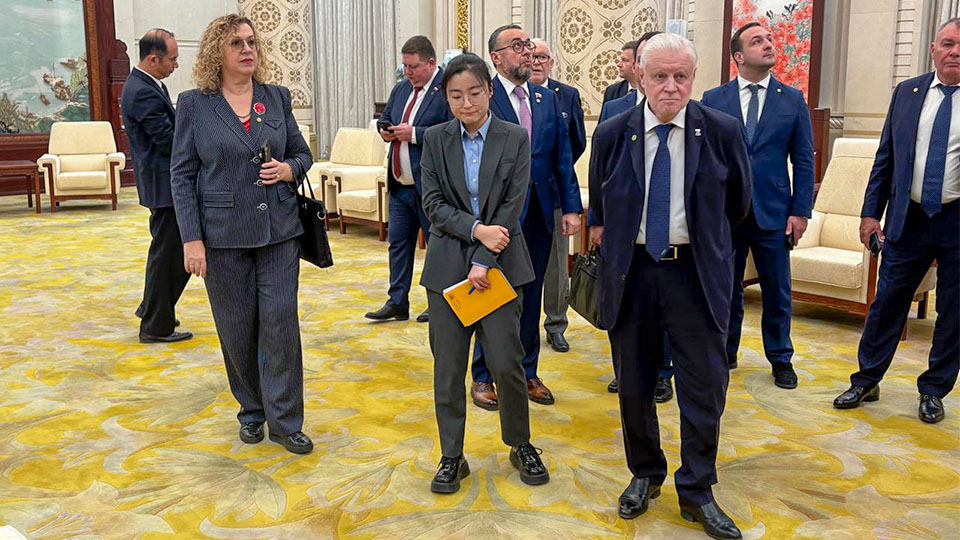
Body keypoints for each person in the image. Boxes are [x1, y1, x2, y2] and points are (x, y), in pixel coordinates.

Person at [590, 33, 750, 539]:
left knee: (703, 388)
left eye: (681, 76)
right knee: (634, 384)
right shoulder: (612, 133)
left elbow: (738, 206)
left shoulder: (721, 130)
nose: (671, 87)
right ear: (640, 75)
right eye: (659, 76)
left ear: (694, 78)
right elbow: (602, 204)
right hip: (633, 273)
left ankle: (698, 489)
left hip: (694, 274)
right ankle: (645, 472)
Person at [170, 14, 314, 454]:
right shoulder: (194, 105)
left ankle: (285, 421)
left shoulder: (276, 97)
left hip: (278, 233)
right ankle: (251, 411)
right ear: (217, 52)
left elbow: (302, 154)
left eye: (251, 42)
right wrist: (191, 239)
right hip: (222, 236)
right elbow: (181, 175)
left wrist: (288, 168)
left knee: (281, 325)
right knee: (236, 329)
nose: (247, 49)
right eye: (236, 43)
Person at [420, 52, 549, 494]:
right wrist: (476, 231)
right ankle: (451, 456)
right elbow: (432, 203)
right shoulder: (435, 139)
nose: (466, 103)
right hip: (446, 269)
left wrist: (484, 258)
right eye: (456, 96)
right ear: (447, 98)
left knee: (507, 363)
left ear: (490, 91)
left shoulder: (514, 137)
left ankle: (520, 443)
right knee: (448, 367)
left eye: (474, 93)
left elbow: (513, 205)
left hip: (500, 265)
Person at [833, 18, 960, 424]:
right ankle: (866, 379)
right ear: (933, 50)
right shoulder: (908, 92)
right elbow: (885, 157)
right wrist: (871, 213)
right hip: (910, 217)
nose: (956, 51)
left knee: (954, 311)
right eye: (948, 43)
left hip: (957, 219)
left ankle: (934, 390)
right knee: (887, 302)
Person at [469, 24, 582, 411]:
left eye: (528, 45)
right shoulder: (483, 95)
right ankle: (483, 375)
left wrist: (571, 206)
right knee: (491, 294)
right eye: (517, 46)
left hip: (538, 212)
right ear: (496, 57)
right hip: (496, 215)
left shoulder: (546, 97)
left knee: (531, 295)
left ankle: (527, 371)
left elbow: (562, 156)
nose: (527, 52)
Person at [701, 22, 815, 389]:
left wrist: (800, 211)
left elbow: (804, 159)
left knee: (777, 291)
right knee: (725, 289)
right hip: (726, 213)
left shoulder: (791, 99)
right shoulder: (713, 99)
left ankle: (781, 358)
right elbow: (703, 159)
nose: (768, 44)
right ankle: (725, 351)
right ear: (738, 56)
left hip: (774, 212)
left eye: (769, 39)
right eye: (757, 41)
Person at [594, 31, 674, 402]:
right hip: (623, 232)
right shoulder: (615, 109)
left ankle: (662, 374)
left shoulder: (686, 113)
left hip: (666, 233)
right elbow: (599, 171)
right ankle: (625, 369)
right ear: (639, 67)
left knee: (665, 308)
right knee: (624, 305)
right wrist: (597, 221)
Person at [365, 35, 451, 324]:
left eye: (413, 66)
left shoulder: (446, 89)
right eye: (404, 65)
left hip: (431, 189)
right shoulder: (401, 88)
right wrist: (385, 129)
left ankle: (437, 302)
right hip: (400, 186)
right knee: (398, 245)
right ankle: (397, 302)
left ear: (431, 63)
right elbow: (386, 116)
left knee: (436, 249)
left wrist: (413, 134)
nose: (407, 72)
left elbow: (451, 131)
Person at [123, 28, 192, 344]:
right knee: (169, 257)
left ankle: (154, 310)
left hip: (163, 184)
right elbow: (167, 141)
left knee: (166, 254)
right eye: (172, 60)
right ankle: (155, 325)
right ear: (153, 59)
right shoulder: (143, 91)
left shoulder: (148, 84)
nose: (176, 65)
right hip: (165, 186)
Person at [529, 38, 586, 354]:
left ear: (552, 62)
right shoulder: (512, 95)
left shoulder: (566, 95)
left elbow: (574, 142)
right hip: (518, 197)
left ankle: (555, 325)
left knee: (556, 267)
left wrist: (554, 174)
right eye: (533, 56)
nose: (537, 62)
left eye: (543, 57)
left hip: (552, 194)